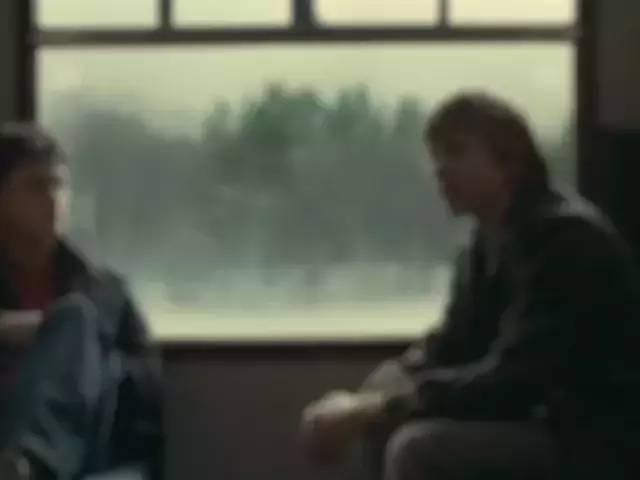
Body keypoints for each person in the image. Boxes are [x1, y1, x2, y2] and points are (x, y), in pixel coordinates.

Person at [300, 92, 640, 479]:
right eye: (435, 157)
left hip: (590, 437)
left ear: (509, 160)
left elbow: (514, 379)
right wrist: (380, 390)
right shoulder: (482, 246)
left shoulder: (566, 240)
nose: (439, 171)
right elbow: (451, 344)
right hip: (537, 419)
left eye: (455, 151)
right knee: (384, 404)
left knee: (418, 449)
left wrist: (380, 406)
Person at [0, 125, 163, 480]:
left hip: (92, 460)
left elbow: (147, 393)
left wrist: (79, 355)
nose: (53, 200)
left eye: (59, 186)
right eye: (36, 187)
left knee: (76, 319)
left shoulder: (104, 292)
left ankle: (32, 462)